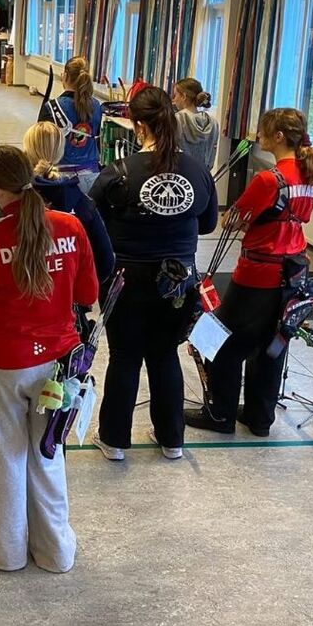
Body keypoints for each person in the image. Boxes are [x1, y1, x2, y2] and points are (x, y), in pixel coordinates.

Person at [0, 121, 113, 477]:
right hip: (61, 344)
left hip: (9, 352)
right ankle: (52, 534)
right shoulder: (77, 212)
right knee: (47, 457)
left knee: (6, 458)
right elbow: (92, 287)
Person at [0, 144, 98, 573]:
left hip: (3, 361)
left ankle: (6, 553)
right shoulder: (70, 227)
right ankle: (56, 551)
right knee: (48, 453)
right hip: (59, 362)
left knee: (5, 458)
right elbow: (87, 296)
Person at [88, 86, 218, 461]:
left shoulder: (120, 172)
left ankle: (114, 440)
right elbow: (207, 222)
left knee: (125, 356)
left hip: (127, 278)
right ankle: (171, 439)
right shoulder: (196, 171)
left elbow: (93, 225)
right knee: (164, 355)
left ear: (137, 125)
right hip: (178, 280)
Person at [185, 108, 313, 437]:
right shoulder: (307, 175)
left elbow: (230, 219)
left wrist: (245, 216)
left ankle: (221, 414)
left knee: (223, 342)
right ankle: (260, 417)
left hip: (257, 274)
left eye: (262, 131)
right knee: (271, 343)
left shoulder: (268, 179)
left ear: (277, 137)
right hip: (291, 274)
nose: (257, 137)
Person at [39, 55, 103, 190]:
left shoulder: (51, 107)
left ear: (65, 76)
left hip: (60, 179)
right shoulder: (97, 106)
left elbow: (41, 146)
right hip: (92, 176)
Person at [172, 77, 219, 172]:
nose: (174, 100)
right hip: (203, 176)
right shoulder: (213, 123)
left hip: (180, 178)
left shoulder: (176, 120)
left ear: (184, 96)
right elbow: (211, 158)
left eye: (175, 95)